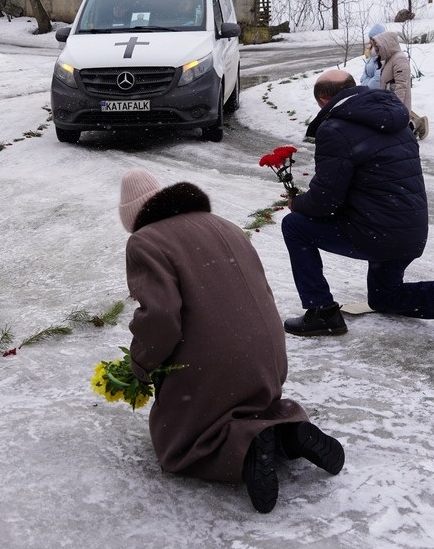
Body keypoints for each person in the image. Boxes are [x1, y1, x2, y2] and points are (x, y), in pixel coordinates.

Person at [118, 168, 345, 514]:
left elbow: (161, 318)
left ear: (134, 218)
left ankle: (245, 446)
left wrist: (142, 363)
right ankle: (287, 432)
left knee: (177, 440)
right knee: (250, 402)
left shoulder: (145, 241)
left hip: (218, 362)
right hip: (267, 357)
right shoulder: (223, 224)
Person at [280, 69, 434, 338]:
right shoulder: (396, 120)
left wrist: (297, 203)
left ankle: (322, 313)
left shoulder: (335, 129)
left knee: (295, 226)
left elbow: (326, 201)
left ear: (323, 100)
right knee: (383, 297)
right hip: (410, 232)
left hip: (377, 233)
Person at [370, 29, 428, 140]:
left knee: (397, 134)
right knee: (395, 133)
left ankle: (418, 123)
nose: (376, 50)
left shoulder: (399, 59)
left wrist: (396, 107)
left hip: (395, 103)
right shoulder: (389, 59)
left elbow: (401, 85)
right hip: (389, 102)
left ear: (386, 45)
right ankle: (416, 125)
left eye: (378, 47)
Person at [358, 23, 387, 89]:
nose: (369, 41)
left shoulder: (382, 56)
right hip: (367, 90)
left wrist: (365, 88)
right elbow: (365, 75)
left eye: (372, 39)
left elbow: (377, 80)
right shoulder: (372, 54)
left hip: (373, 93)